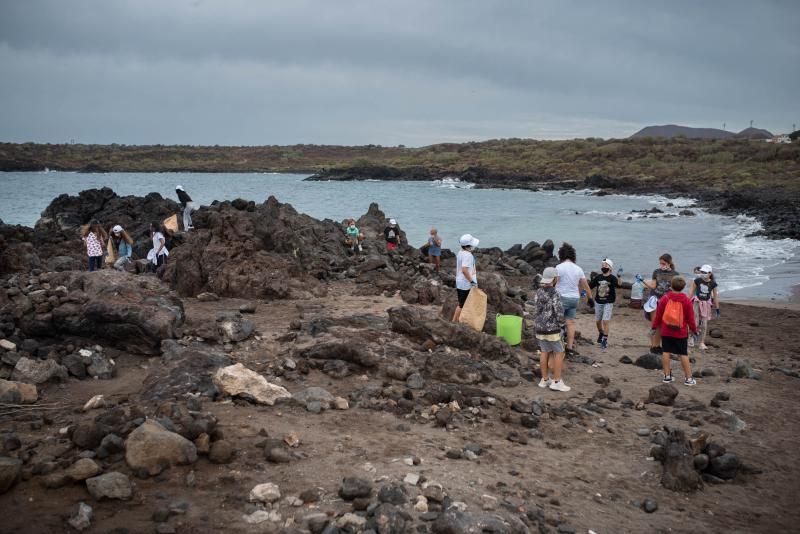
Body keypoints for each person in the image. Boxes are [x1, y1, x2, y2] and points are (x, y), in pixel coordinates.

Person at [651, 276, 698, 386]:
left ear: (671, 286)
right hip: (681, 333)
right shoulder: (686, 300)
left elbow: (658, 315)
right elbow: (691, 318)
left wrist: (654, 327)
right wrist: (694, 330)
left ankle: (667, 376)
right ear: (683, 287)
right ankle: (689, 379)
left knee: (666, 352)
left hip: (666, 331)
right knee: (683, 354)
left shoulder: (665, 298)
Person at [534, 267, 570, 392]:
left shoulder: (538, 292)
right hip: (553, 329)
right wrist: (562, 325)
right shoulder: (555, 293)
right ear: (554, 279)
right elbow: (559, 312)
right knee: (559, 353)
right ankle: (557, 381)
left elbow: (536, 310)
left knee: (544, 352)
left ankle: (544, 379)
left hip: (540, 328)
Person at [555, 242, 593, 356]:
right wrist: (590, 298)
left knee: (558, 323)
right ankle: (569, 347)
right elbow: (585, 285)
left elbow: (554, 283)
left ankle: (557, 347)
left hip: (561, 298)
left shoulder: (559, 267)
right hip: (574, 299)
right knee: (570, 323)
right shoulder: (578, 269)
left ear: (561, 255)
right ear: (573, 256)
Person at [644, 253, 679, 354]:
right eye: (660, 263)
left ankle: (659, 346)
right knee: (655, 324)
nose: (661, 265)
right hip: (655, 300)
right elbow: (653, 286)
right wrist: (643, 281)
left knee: (664, 325)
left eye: (663, 263)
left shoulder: (675, 274)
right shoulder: (656, 272)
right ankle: (654, 346)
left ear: (669, 263)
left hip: (667, 302)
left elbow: (675, 290)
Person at [588, 258, 622, 349]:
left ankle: (605, 340)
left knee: (605, 321)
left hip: (608, 302)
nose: (603, 266)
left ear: (610, 267)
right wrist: (585, 293)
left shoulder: (612, 278)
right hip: (598, 302)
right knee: (598, 321)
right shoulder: (598, 277)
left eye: (606, 265)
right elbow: (590, 286)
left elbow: (619, 285)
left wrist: (619, 277)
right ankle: (601, 333)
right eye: (602, 265)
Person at [688, 264, 720, 350]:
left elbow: (715, 296)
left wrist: (717, 308)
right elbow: (691, 293)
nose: (703, 273)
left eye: (705, 272)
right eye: (702, 272)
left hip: (706, 304)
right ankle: (691, 338)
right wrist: (686, 303)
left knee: (704, 324)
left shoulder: (713, 283)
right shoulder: (697, 281)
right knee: (694, 321)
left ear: (710, 273)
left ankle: (702, 342)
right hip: (696, 302)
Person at [452, 234, 479, 323]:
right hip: (465, 283)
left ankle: (455, 320)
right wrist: (472, 281)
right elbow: (464, 270)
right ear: (468, 246)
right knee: (462, 305)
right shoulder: (468, 255)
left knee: (461, 303)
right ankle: (455, 321)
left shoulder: (461, 252)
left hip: (460, 282)